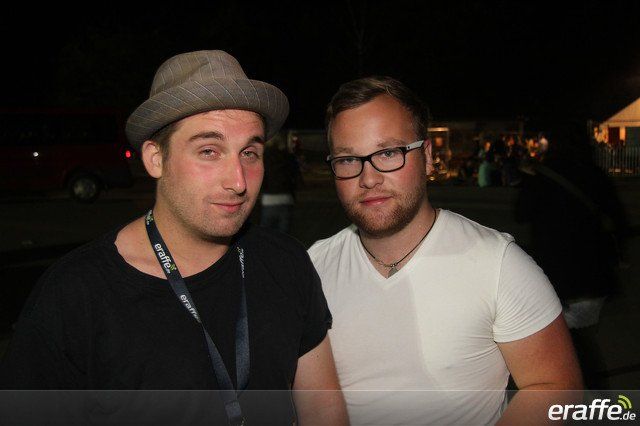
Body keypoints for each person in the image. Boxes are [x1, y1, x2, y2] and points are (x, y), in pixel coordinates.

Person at [0, 50, 347, 425]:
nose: (238, 181)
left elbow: (323, 411)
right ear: (155, 158)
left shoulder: (287, 262)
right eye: (209, 151)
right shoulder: (74, 296)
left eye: (249, 152)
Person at [308, 76, 582, 425]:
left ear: (427, 156)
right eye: (348, 159)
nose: (369, 178)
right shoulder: (311, 268)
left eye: (389, 153)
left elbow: (557, 388)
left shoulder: (498, 264)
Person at [260, 132, 301, 233]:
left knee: (266, 235)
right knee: (283, 236)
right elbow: (295, 177)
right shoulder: (288, 157)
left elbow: (262, 180)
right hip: (286, 199)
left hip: (268, 200)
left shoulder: (263, 159)